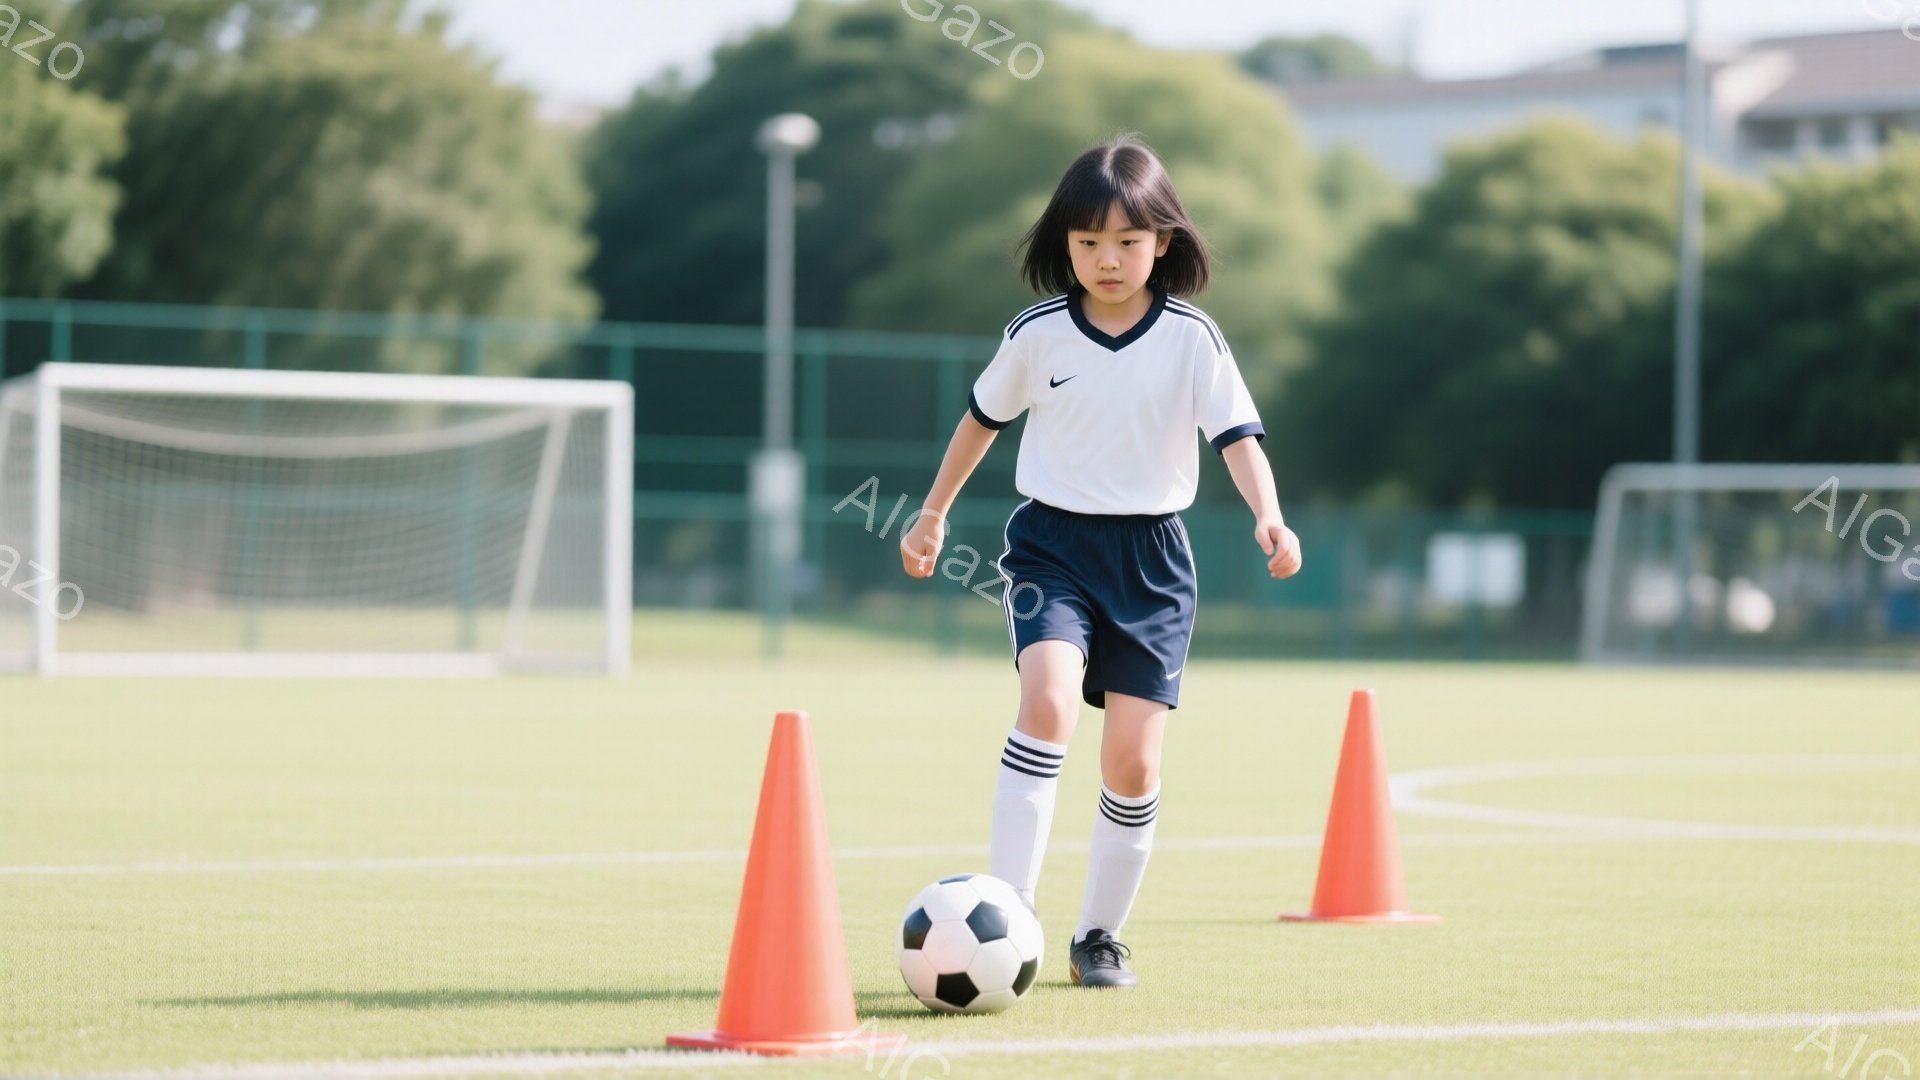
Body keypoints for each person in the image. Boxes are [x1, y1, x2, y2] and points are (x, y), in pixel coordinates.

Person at [898, 136, 1303, 989]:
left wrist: (1270, 516)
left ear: (1163, 240)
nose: (1107, 259)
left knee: (1133, 763)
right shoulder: (1039, 334)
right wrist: (932, 513)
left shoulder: (1193, 337)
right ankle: (1008, 910)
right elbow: (980, 420)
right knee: (1046, 703)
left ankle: (1098, 939)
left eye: (1127, 240)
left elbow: (1237, 437)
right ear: (1064, 246)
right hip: (1052, 545)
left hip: (1154, 563)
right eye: (1087, 243)